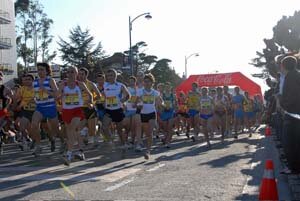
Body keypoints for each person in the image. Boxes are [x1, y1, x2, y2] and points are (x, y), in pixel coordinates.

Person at [58, 66, 93, 166]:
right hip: (66, 111)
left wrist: (90, 102)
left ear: (76, 73)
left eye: (72, 72)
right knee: (70, 133)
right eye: (68, 72)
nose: (70, 74)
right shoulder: (63, 84)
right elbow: (57, 95)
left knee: (72, 129)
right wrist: (61, 97)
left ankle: (68, 154)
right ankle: (77, 151)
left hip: (77, 110)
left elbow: (90, 95)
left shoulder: (80, 84)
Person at [31, 62, 60, 157]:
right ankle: (38, 146)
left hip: (50, 107)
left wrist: (45, 90)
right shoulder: (35, 82)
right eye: (38, 70)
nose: (40, 72)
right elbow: (35, 94)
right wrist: (34, 99)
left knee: (55, 129)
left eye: (42, 69)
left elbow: (56, 95)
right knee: (34, 125)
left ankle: (55, 140)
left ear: (47, 71)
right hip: (40, 107)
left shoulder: (50, 80)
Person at [279, 56, 300, 174]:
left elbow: (292, 97)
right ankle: (295, 166)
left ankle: (293, 167)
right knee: (296, 142)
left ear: (284, 65)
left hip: (292, 114)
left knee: (289, 143)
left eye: (281, 65)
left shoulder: (290, 77)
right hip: (296, 113)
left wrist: (281, 102)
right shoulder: (296, 74)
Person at [102, 69, 130, 151]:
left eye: (111, 75)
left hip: (118, 110)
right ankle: (110, 139)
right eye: (108, 76)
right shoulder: (105, 85)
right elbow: (102, 94)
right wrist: (103, 101)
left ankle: (123, 144)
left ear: (115, 76)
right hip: (108, 110)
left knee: (119, 130)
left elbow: (128, 95)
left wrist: (123, 101)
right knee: (104, 126)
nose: (110, 77)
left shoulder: (120, 85)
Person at [138, 73, 162, 159]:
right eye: (145, 81)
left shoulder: (155, 92)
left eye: (149, 81)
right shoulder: (140, 91)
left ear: (152, 83)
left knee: (150, 133)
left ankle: (148, 151)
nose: (147, 83)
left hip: (152, 113)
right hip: (143, 114)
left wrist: (161, 104)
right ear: (143, 82)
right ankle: (145, 146)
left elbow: (160, 102)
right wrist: (137, 104)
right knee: (146, 133)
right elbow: (135, 102)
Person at [77, 68, 101, 147]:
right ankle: (85, 133)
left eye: (82, 74)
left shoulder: (91, 84)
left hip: (90, 108)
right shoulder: (76, 84)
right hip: (80, 108)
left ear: (86, 75)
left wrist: (91, 101)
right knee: (78, 128)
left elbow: (99, 95)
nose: (80, 76)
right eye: (79, 74)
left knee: (92, 131)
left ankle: (97, 128)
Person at [14, 74, 35, 151]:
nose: (27, 81)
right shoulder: (21, 89)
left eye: (29, 79)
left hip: (36, 111)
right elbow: (16, 98)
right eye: (25, 80)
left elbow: (35, 99)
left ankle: (34, 141)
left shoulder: (36, 88)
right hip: (25, 110)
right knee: (22, 126)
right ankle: (25, 141)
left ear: (32, 80)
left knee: (32, 129)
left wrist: (26, 102)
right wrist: (16, 105)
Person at [123, 76, 141, 149]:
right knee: (127, 127)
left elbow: (140, 99)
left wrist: (137, 104)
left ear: (135, 82)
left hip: (135, 110)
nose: (131, 82)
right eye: (130, 81)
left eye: (132, 81)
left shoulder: (138, 89)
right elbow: (124, 97)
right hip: (128, 109)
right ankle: (125, 141)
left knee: (133, 127)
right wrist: (124, 105)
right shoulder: (127, 89)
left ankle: (132, 141)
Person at [160, 82, 176, 148]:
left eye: (168, 87)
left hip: (171, 112)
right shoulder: (162, 95)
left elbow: (175, 103)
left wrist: (173, 107)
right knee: (165, 128)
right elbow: (160, 103)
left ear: (170, 87)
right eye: (166, 87)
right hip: (164, 112)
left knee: (169, 127)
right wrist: (164, 106)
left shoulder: (173, 95)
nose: (167, 88)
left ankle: (168, 142)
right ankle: (166, 138)